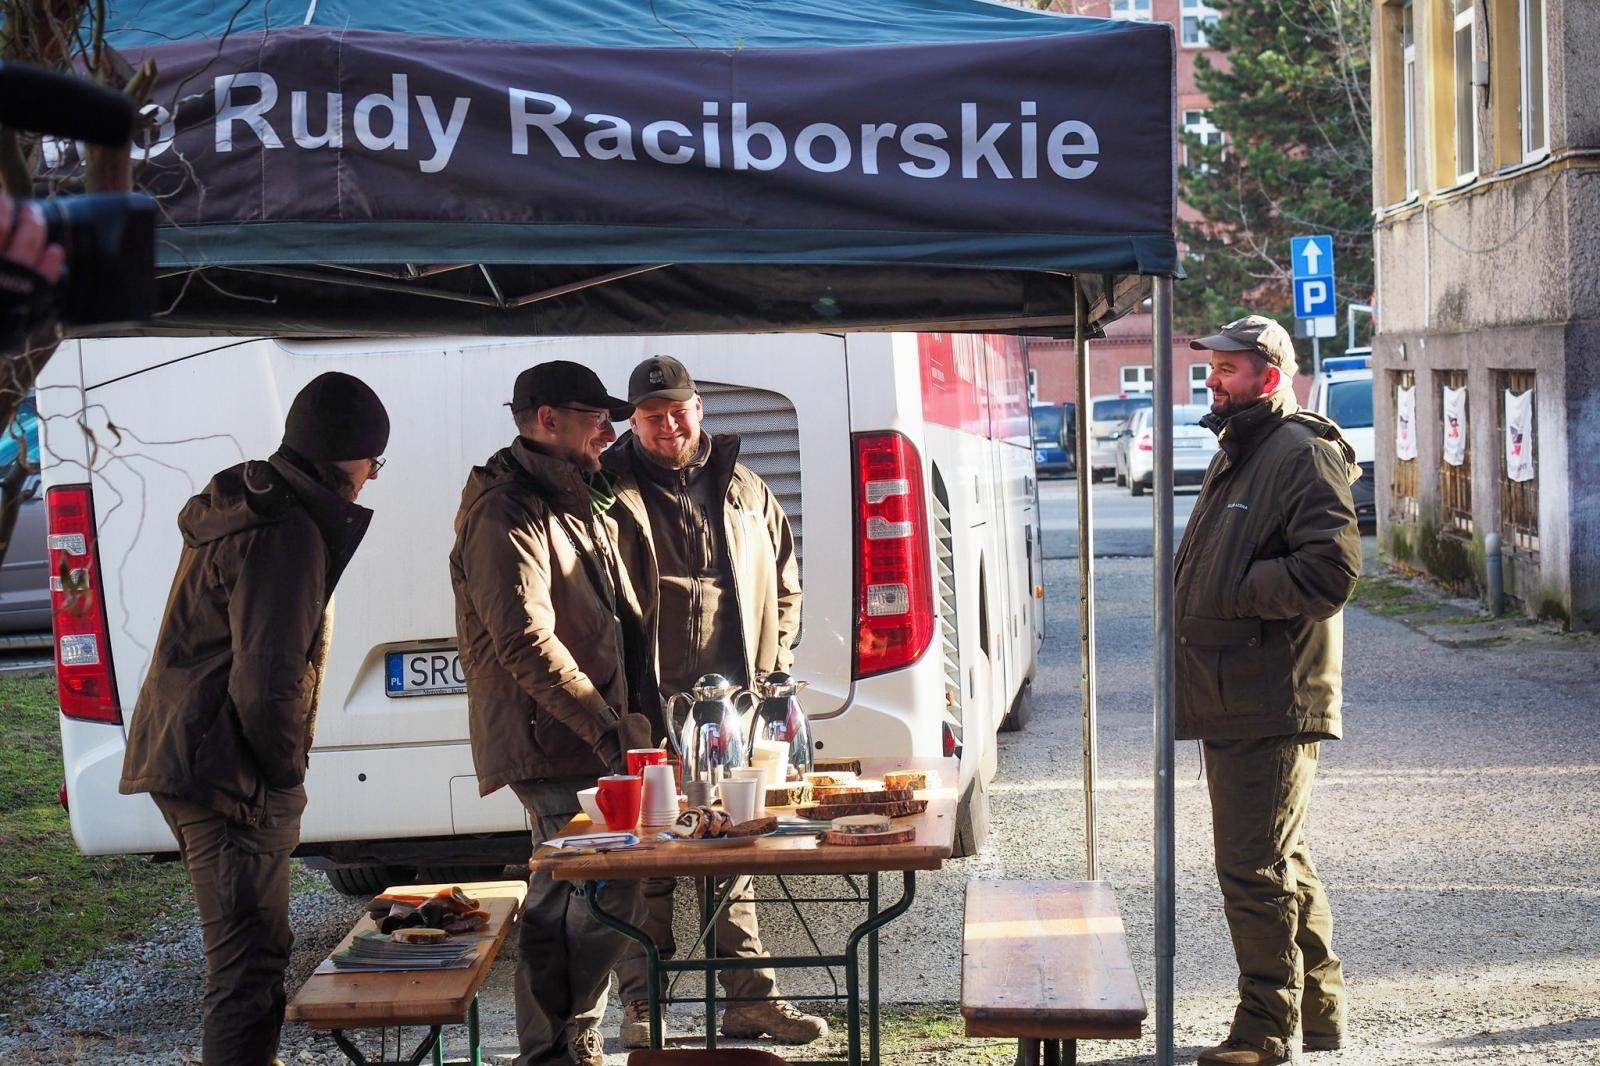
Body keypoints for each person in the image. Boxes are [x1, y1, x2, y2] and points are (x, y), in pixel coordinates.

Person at [119, 372, 390, 1066]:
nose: (372, 478)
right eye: (373, 463)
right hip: (224, 770)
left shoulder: (249, 503)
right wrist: (284, 777)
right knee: (247, 972)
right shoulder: (287, 532)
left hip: (193, 754)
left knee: (249, 961)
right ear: (345, 457)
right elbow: (268, 682)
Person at [602, 355, 824, 1048]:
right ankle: (644, 1007)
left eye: (678, 411)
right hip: (645, 704)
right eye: (652, 416)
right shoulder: (606, 491)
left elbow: (786, 579)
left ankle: (751, 1001)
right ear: (633, 422)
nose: (668, 426)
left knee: (736, 852)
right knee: (652, 862)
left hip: (737, 707)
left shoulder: (747, 489)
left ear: (699, 410)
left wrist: (776, 661)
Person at [449, 360, 659, 1066]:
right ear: (548, 420)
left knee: (597, 892)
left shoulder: (568, 494)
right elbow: (524, 641)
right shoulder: (505, 509)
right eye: (595, 417)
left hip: (588, 736)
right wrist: (604, 724)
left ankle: (568, 1035)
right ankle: (548, 1049)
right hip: (557, 738)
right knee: (568, 897)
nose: (610, 431)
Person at [1178, 316, 1361, 1066]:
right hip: (1238, 692)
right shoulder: (1243, 450)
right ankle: (1321, 1015)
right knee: (1283, 859)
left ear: (1270, 377)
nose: (1213, 380)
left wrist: (1234, 587)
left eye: (1227, 369)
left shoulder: (1299, 454)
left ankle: (1264, 1031)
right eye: (1212, 368)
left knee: (1251, 868)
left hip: (1271, 697)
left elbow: (1331, 574)